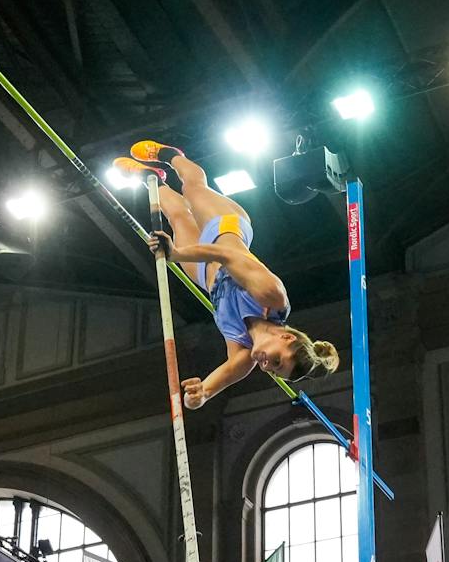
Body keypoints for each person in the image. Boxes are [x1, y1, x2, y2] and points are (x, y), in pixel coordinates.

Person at [126, 143, 336, 408]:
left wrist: (199, 395)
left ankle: (153, 179)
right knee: (192, 189)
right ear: (287, 337)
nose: (266, 366)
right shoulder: (272, 296)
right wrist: (176, 253)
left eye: (273, 371)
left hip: (205, 274)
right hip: (225, 230)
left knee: (178, 217)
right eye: (277, 361)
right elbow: (226, 255)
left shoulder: (242, 355)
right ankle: (170, 155)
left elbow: (207, 390)